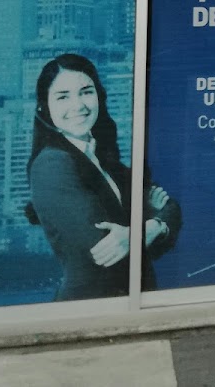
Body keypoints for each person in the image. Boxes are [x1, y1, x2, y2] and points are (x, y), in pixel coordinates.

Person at [25, 53, 180, 300]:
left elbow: (171, 208)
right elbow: (104, 248)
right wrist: (151, 225)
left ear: (99, 96)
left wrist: (144, 230)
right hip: (92, 305)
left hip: (129, 299)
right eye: (63, 96)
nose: (78, 105)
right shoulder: (52, 164)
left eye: (86, 92)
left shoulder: (101, 158)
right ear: (44, 106)